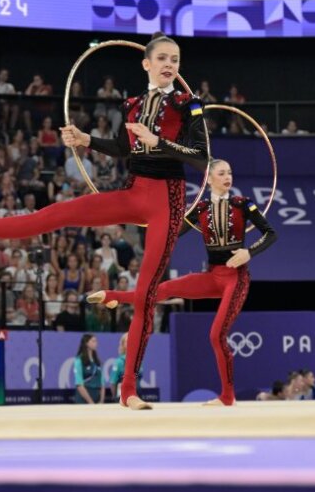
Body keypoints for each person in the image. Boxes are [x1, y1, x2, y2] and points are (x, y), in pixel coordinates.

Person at [0, 34, 209, 410]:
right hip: (133, 191)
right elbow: (123, 148)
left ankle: (129, 390)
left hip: (166, 203)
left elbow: (202, 155)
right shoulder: (132, 104)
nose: (170, 64)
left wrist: (158, 142)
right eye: (163, 58)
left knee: (146, 294)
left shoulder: (189, 104)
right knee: (50, 216)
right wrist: (87, 139)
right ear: (146, 63)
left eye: (176, 59)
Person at [88, 158, 276, 406]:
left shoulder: (243, 204)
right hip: (212, 276)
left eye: (229, 172)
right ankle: (115, 297)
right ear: (209, 179)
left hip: (236, 278)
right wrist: (146, 216)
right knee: (163, 289)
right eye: (221, 173)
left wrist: (248, 252)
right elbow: (171, 232)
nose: (227, 177)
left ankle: (227, 396)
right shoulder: (201, 208)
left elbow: (270, 233)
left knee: (216, 335)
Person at [72, 334, 104, 404]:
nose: (96, 343)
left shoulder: (97, 361)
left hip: (97, 397)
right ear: (86, 343)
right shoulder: (79, 360)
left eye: (96, 341)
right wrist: (90, 402)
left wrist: (101, 400)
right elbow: (79, 383)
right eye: (93, 341)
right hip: (84, 399)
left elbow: (102, 382)